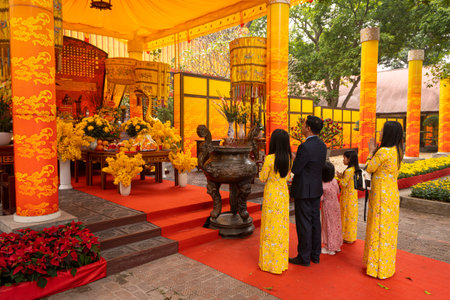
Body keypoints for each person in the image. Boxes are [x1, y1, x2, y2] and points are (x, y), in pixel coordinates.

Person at [363, 121, 403, 279]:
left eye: (382, 130)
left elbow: (369, 168)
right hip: (391, 195)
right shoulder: (397, 151)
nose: (379, 132)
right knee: (388, 232)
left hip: (381, 196)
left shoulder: (383, 152)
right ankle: (386, 267)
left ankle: (376, 268)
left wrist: (371, 151)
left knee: (378, 229)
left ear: (388, 134)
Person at [289, 115, 327, 266]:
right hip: (316, 188)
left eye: (304, 124)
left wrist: (294, 158)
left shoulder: (304, 146)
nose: (302, 126)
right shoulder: (322, 145)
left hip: (304, 190)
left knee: (303, 224)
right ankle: (315, 255)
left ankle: (303, 257)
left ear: (309, 128)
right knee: (314, 222)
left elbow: (296, 169)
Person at [258, 129, 292, 274]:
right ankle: (280, 261)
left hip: (272, 193)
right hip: (283, 193)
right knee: (281, 226)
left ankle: (270, 262)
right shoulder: (289, 158)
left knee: (270, 226)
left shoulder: (270, 158)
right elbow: (288, 177)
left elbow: (262, 178)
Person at [336, 150, 360, 244]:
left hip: (347, 197)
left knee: (346, 216)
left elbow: (343, 184)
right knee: (352, 216)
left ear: (349, 159)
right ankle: (351, 236)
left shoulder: (349, 171)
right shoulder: (355, 169)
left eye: (344, 158)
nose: (343, 160)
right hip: (353, 196)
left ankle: (346, 236)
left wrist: (339, 178)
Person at [321, 161, 343, 255]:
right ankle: (337, 245)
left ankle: (330, 247)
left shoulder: (323, 185)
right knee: (336, 225)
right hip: (336, 205)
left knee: (328, 226)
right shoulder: (334, 181)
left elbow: (320, 197)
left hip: (327, 207)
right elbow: (338, 191)